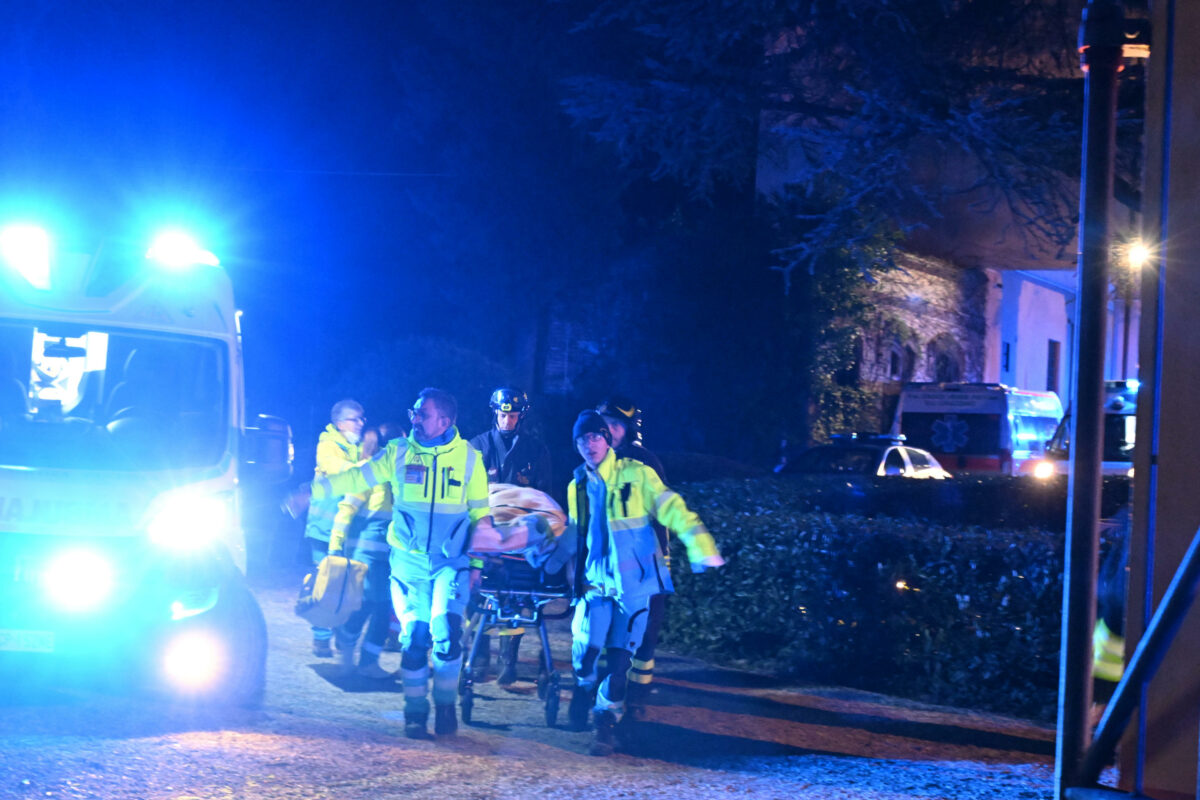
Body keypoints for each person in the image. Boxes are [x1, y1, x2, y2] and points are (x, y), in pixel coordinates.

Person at [308, 388, 490, 739]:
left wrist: (477, 566)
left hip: (450, 564)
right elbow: (357, 478)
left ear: (445, 421)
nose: (415, 418)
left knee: (448, 636)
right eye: (414, 412)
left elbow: (481, 515)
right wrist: (311, 491)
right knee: (415, 640)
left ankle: (446, 706)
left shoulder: (469, 458)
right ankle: (415, 713)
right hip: (408, 564)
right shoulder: (399, 452)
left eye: (422, 413)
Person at [562, 410, 724, 756]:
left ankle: (605, 723)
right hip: (594, 586)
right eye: (582, 439)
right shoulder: (576, 484)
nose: (589, 444)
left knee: (620, 662)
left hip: (634, 586)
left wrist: (700, 545)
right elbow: (575, 537)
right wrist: (546, 556)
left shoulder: (637, 474)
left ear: (607, 439)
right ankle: (583, 685)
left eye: (594, 436)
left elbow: (672, 508)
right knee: (587, 653)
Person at [468, 386, 554, 685]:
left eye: (514, 415)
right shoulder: (476, 447)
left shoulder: (535, 450)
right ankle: (478, 657)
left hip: (518, 538)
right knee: (478, 596)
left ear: (521, 417)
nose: (508, 420)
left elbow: (543, 495)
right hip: (486, 534)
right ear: (495, 413)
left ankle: (508, 660)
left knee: (517, 599)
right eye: (503, 414)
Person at [595, 396, 667, 718]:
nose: (608, 432)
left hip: (641, 562)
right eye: (604, 426)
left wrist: (660, 560)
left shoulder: (645, 462)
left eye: (615, 426)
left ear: (629, 429)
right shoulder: (596, 459)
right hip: (606, 562)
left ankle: (638, 696)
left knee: (645, 632)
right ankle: (609, 690)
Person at [327, 425, 395, 680]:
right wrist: (335, 546)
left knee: (379, 607)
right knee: (372, 604)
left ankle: (364, 658)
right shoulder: (368, 474)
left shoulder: (398, 477)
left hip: (389, 556)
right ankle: (354, 649)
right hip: (367, 556)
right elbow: (346, 509)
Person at [303, 399, 368, 658]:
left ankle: (341, 637)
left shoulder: (356, 448)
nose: (361, 423)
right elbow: (343, 472)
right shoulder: (328, 446)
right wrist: (368, 468)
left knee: (346, 586)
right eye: (356, 419)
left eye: (363, 418)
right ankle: (321, 639)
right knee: (325, 584)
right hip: (323, 529)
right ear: (340, 423)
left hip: (346, 529)